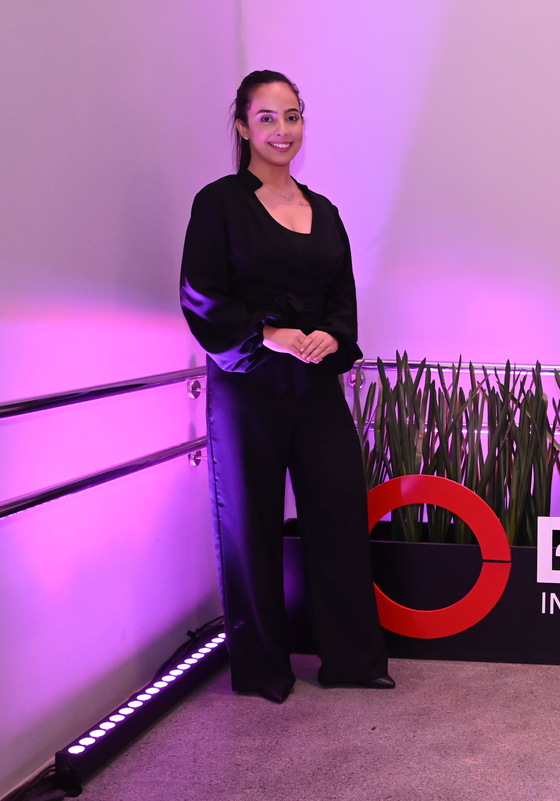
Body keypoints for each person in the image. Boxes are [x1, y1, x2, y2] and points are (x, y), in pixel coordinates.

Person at [180, 70, 393, 703]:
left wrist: (332, 337)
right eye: (267, 118)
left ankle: (353, 661)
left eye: (292, 116)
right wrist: (267, 334)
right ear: (242, 126)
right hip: (247, 386)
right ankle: (263, 670)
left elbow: (341, 300)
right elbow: (200, 295)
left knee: (339, 515)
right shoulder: (218, 204)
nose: (282, 130)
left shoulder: (324, 211)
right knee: (251, 525)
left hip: (315, 385)